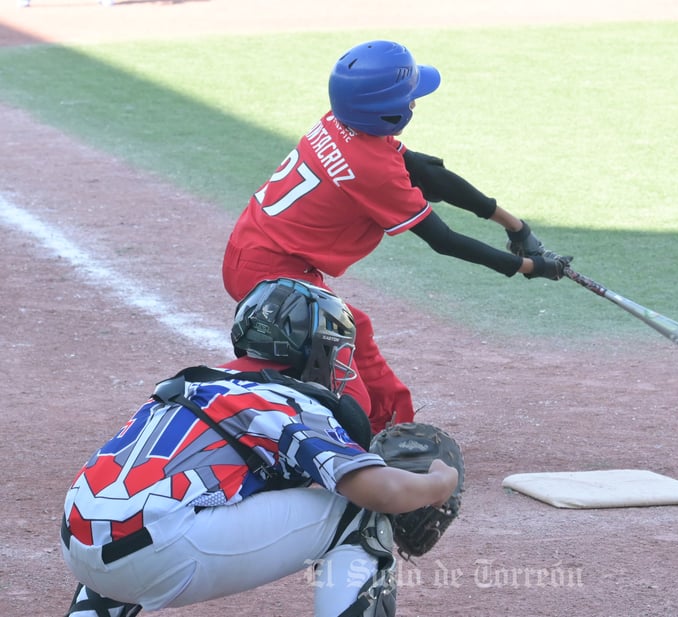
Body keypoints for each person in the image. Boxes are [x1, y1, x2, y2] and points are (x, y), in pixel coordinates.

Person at [222, 39, 572, 434]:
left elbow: (426, 172)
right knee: (331, 349)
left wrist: (515, 226)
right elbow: (444, 240)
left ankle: (388, 426)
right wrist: (528, 266)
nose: (415, 102)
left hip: (255, 248)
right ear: (385, 113)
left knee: (356, 328)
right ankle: (358, 445)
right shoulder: (371, 170)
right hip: (270, 271)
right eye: (409, 97)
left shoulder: (340, 123)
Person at [60, 278, 460, 617]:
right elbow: (380, 491)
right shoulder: (283, 399)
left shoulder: (186, 386)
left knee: (124, 520)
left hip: (79, 548)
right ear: (314, 351)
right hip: (164, 555)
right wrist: (440, 483)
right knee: (361, 515)